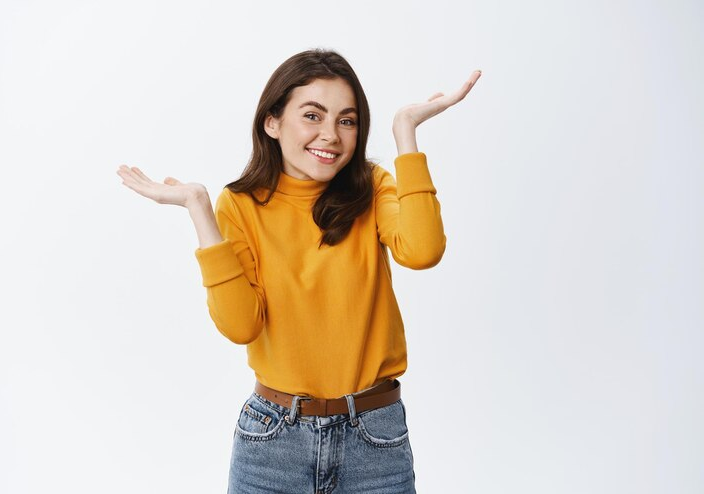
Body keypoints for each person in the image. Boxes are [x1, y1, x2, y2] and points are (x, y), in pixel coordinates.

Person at [116, 48, 481, 493]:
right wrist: (199, 209)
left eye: (347, 121)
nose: (330, 135)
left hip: (375, 439)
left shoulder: (372, 186)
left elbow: (423, 251)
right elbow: (240, 325)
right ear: (272, 122)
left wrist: (405, 133)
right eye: (313, 115)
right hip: (273, 442)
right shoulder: (240, 205)